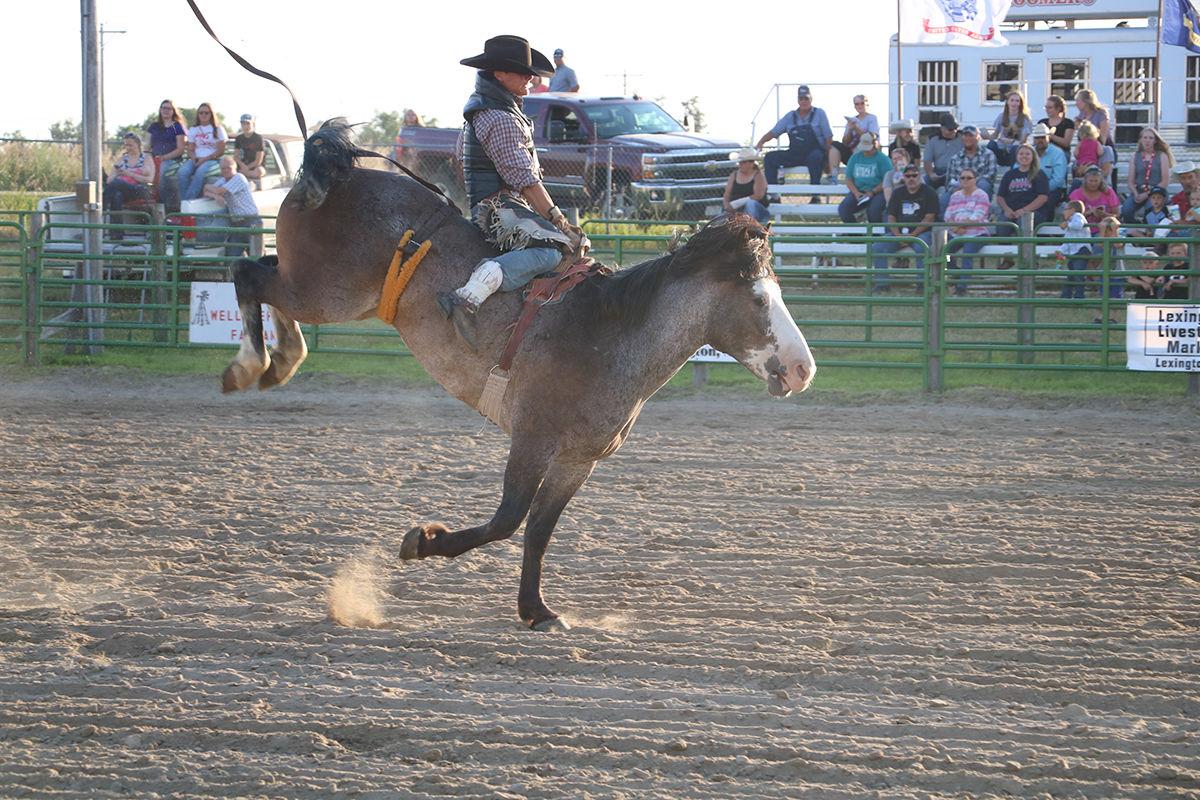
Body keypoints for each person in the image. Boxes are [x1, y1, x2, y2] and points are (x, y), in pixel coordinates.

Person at [438, 35, 586, 349]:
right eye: (521, 72)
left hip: (498, 203)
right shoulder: (501, 118)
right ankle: (470, 295)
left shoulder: (485, 111)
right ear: (499, 74)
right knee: (551, 250)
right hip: (499, 209)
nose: (531, 78)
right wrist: (559, 221)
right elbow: (526, 181)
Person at [872, 164, 938, 291]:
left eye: (914, 175)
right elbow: (890, 217)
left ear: (920, 176)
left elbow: (929, 218)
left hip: (922, 233)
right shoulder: (897, 193)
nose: (911, 178)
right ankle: (882, 284)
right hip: (899, 232)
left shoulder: (929, 192)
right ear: (904, 177)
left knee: (921, 248)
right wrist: (898, 236)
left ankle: (922, 284)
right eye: (908, 176)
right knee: (877, 247)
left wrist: (912, 236)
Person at [755, 85, 833, 189]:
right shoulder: (790, 116)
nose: (804, 101)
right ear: (798, 100)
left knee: (816, 157)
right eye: (801, 98)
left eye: (806, 98)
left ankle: (815, 195)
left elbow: (828, 137)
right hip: (795, 154)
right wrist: (761, 142)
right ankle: (774, 195)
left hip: (814, 154)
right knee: (770, 158)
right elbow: (774, 132)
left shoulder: (819, 113)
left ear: (811, 99)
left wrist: (827, 158)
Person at [944, 168, 991, 295]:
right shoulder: (955, 196)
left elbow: (978, 216)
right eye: (962, 178)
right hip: (956, 232)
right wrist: (955, 227)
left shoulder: (982, 195)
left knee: (967, 253)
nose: (965, 180)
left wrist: (960, 226)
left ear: (975, 180)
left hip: (977, 233)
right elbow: (948, 215)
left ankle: (961, 287)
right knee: (943, 251)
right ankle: (955, 273)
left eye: (969, 178)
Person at [203, 155, 262, 257]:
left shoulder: (239, 178)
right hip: (236, 223)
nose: (225, 170)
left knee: (256, 258)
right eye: (223, 168)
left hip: (251, 221)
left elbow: (218, 190)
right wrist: (215, 196)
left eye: (228, 168)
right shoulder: (223, 180)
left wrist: (215, 192)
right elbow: (205, 190)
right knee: (232, 257)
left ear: (235, 168)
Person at [1120, 127, 1174, 222]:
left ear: (1155, 141)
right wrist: (1136, 193)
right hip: (1139, 190)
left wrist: (1147, 194)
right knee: (1126, 210)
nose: (1147, 141)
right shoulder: (1135, 156)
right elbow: (1130, 181)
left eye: (1150, 138)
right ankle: (1135, 231)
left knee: (1151, 211)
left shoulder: (1162, 156)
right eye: (1145, 138)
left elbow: (1165, 182)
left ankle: (1150, 233)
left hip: (1157, 191)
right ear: (1140, 140)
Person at [176, 102, 228, 201]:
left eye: (206, 113)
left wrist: (204, 160)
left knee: (200, 173)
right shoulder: (193, 129)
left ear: (211, 114)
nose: (203, 115)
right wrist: (194, 158)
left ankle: (187, 203)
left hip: (212, 160)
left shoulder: (218, 129)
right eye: (201, 113)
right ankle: (185, 202)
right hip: (196, 158)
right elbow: (190, 149)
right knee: (182, 172)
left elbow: (221, 151)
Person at [940, 125, 997, 215]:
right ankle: (947, 226)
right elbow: (949, 182)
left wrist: (969, 186)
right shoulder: (955, 158)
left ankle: (981, 216)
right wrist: (957, 189)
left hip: (979, 190)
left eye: (971, 136)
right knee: (944, 199)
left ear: (978, 137)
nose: (967, 138)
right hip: (959, 190)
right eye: (965, 136)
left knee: (984, 184)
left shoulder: (988, 154)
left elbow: (990, 176)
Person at [837, 133, 890, 224]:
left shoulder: (883, 159)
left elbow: (887, 180)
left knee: (874, 211)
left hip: (878, 192)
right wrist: (856, 193)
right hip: (859, 191)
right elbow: (849, 179)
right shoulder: (855, 158)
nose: (866, 151)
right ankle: (854, 235)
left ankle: (876, 236)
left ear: (874, 145)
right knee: (844, 209)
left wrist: (873, 192)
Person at [827, 94, 879, 184]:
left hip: (866, 153)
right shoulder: (852, 120)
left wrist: (856, 128)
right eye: (857, 104)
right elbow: (845, 142)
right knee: (834, 145)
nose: (859, 106)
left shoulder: (872, 118)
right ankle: (834, 176)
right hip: (852, 152)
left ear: (867, 104)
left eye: (862, 103)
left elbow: (870, 138)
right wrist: (850, 129)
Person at [146, 99, 187, 212]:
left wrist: (163, 158)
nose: (166, 111)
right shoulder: (154, 126)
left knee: (162, 173)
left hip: (172, 160)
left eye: (169, 108)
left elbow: (180, 149)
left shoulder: (177, 127)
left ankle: (166, 208)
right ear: (160, 110)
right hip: (153, 158)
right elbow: (147, 146)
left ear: (173, 111)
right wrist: (148, 157)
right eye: (164, 108)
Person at [995, 143, 1049, 226]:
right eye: (1021, 154)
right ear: (1016, 156)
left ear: (1033, 157)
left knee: (1023, 221)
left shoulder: (1039, 174)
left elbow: (1042, 198)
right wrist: (1007, 210)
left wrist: (1024, 210)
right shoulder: (1009, 174)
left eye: (1027, 154)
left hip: (1032, 212)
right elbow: (1000, 197)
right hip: (1011, 211)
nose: (1024, 156)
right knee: (1003, 223)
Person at [104, 131, 155, 215]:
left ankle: (103, 205)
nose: (127, 147)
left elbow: (150, 179)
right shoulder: (122, 159)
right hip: (124, 190)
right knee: (117, 196)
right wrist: (117, 173)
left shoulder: (146, 158)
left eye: (130, 145)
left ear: (138, 144)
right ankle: (116, 227)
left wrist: (130, 174)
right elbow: (109, 181)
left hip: (139, 189)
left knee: (118, 183)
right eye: (126, 145)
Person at [722, 147, 770, 224]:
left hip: (758, 212)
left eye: (743, 162)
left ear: (751, 163)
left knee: (751, 204)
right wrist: (727, 205)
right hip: (735, 211)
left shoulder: (758, 175)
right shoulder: (734, 175)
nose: (740, 164)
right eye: (739, 162)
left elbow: (758, 196)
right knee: (719, 219)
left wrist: (736, 203)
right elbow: (727, 194)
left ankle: (749, 228)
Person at [986, 90, 1033, 167]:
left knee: (1016, 148)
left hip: (1015, 151)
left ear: (1020, 103)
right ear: (1007, 102)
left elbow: (1023, 140)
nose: (1014, 103)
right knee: (991, 144)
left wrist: (1010, 141)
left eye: (1017, 101)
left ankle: (1012, 173)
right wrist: (985, 135)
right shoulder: (1001, 116)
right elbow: (995, 135)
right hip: (1001, 150)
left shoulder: (1025, 118)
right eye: (1012, 100)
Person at [1056, 200, 1092, 300]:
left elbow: (1079, 225)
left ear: (1072, 210)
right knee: (1072, 274)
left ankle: (1079, 296)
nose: (1064, 212)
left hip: (1081, 250)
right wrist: (1061, 251)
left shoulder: (1078, 216)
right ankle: (1066, 295)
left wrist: (1068, 224)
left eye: (1065, 209)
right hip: (1074, 252)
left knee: (1078, 274)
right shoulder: (1071, 221)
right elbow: (1068, 240)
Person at [1031, 123, 1067, 220]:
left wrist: (1040, 190)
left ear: (1048, 137)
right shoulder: (1028, 153)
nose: (1040, 140)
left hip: (1052, 190)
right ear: (1034, 139)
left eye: (1043, 137)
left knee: (1046, 202)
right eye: (1037, 137)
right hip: (1031, 189)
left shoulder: (1058, 153)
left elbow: (1058, 180)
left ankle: (1044, 231)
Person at [923, 113, 963, 189]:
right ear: (942, 128)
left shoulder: (962, 137)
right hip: (939, 171)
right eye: (950, 129)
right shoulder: (932, 139)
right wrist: (931, 174)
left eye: (955, 128)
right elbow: (927, 160)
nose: (954, 131)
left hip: (956, 172)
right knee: (924, 183)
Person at [233, 113, 264, 186]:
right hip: (242, 165)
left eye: (248, 123)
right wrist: (242, 165)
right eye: (243, 124)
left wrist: (247, 168)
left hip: (255, 167)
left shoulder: (258, 138)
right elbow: (236, 156)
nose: (245, 126)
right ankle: (241, 174)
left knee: (260, 171)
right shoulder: (238, 138)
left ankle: (240, 175)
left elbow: (258, 161)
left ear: (252, 124)